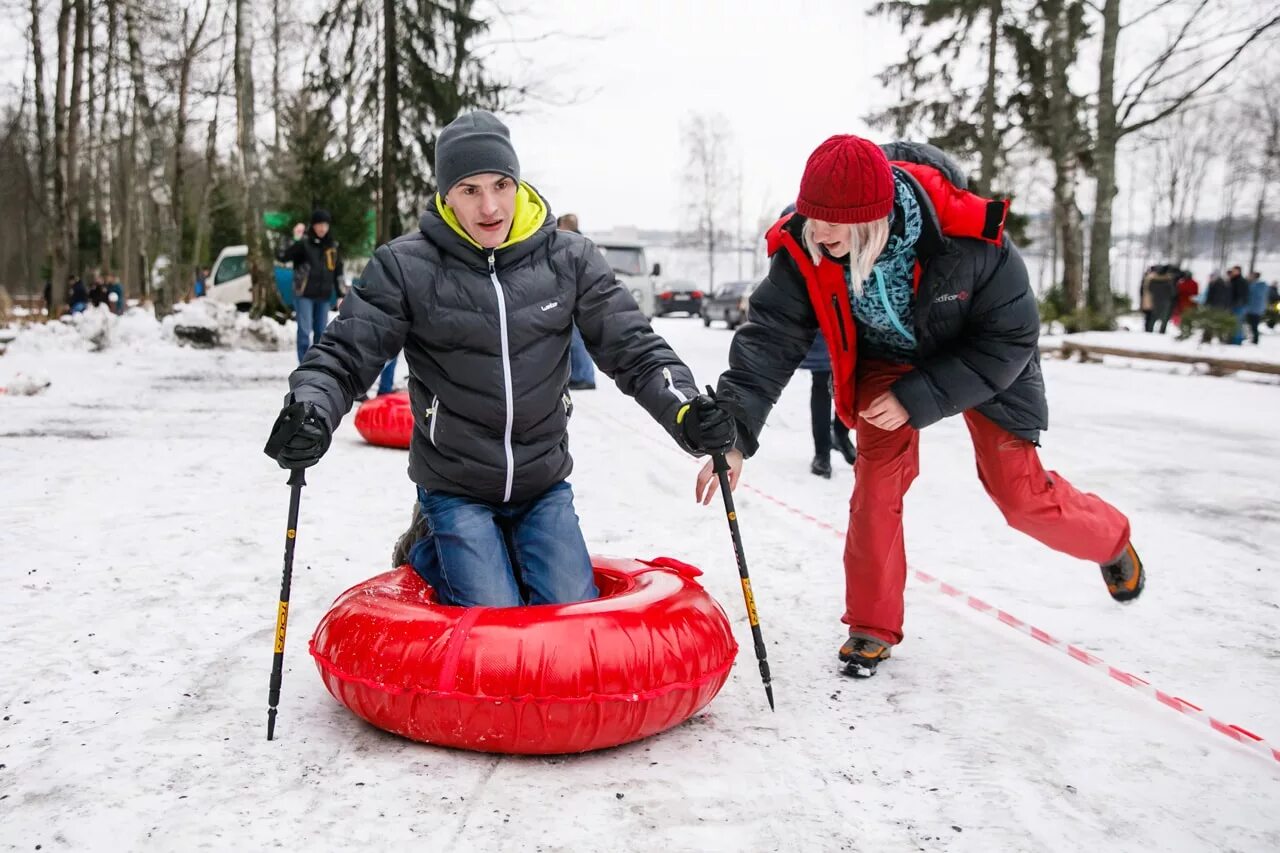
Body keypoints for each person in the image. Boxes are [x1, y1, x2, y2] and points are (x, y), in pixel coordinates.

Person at [695, 137, 1142, 678]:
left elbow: (1008, 341)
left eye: (834, 222)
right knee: (875, 486)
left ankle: (1111, 539)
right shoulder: (805, 246)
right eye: (813, 216)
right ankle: (870, 626)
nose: (819, 232)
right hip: (887, 362)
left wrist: (917, 398)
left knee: (1019, 494)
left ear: (874, 217)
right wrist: (736, 433)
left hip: (980, 360)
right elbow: (769, 340)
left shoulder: (973, 241)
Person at [264, 110, 735, 608]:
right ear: (446, 195)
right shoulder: (405, 266)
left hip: (542, 483)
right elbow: (342, 354)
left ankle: (503, 545)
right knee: (495, 613)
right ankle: (428, 544)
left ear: (518, 183)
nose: (490, 206)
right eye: (469, 190)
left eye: (501, 184)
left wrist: (686, 411)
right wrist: (311, 408)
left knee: (569, 609)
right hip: (455, 486)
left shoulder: (568, 258)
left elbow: (635, 348)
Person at [277, 209, 346, 362]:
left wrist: (341, 294)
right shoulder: (303, 244)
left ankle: (316, 365)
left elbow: (338, 271)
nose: (322, 228)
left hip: (323, 296)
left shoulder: (332, 247)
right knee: (304, 331)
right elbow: (283, 256)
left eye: (325, 225)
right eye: (319, 225)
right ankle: (303, 365)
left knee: (321, 333)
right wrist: (294, 239)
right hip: (304, 295)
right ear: (313, 226)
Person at [802, 331, 856, 478]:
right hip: (822, 329)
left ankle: (840, 433)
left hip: (850, 326)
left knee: (853, 381)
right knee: (822, 381)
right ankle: (822, 452)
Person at [557, 212, 598, 391]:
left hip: (574, 296)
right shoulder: (581, 243)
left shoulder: (571, 244)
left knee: (576, 339)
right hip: (578, 296)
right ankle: (581, 375)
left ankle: (583, 376)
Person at [1246, 270, 1269, 345]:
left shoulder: (1256, 286)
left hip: (1254, 309)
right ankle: (1254, 339)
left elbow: (1252, 296)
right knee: (1253, 325)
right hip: (1257, 309)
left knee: (1254, 325)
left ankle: (1255, 340)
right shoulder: (1262, 286)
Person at [1227, 265, 1249, 345]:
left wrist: (1236, 304)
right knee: (1235, 323)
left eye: (1234, 270)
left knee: (1237, 323)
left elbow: (1241, 294)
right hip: (1235, 305)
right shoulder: (1234, 280)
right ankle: (1233, 339)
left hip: (1238, 306)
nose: (1233, 272)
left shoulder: (1240, 281)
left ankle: (1236, 341)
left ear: (1238, 271)